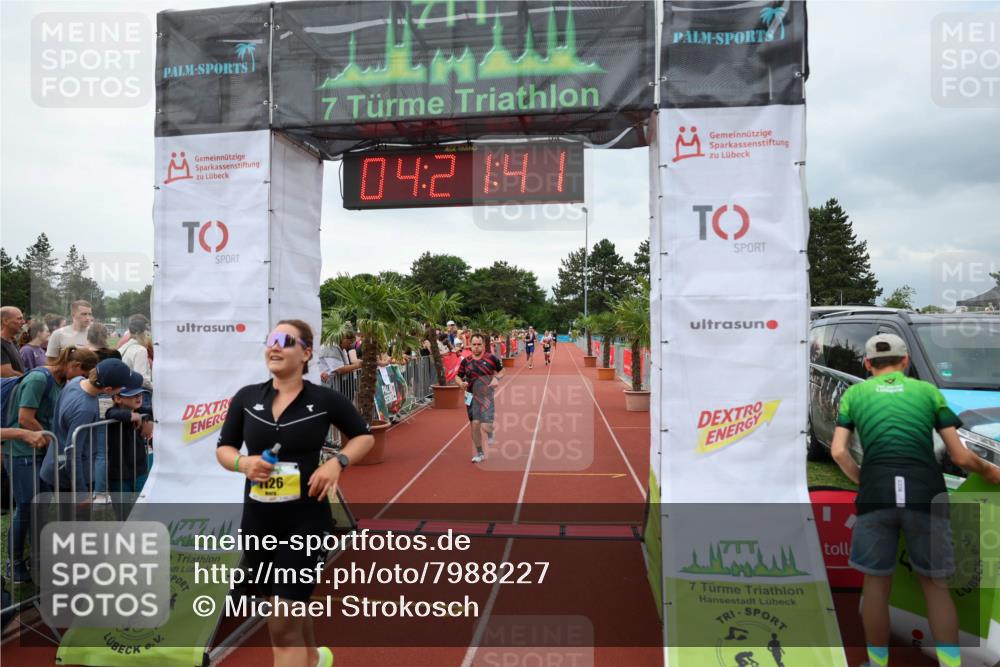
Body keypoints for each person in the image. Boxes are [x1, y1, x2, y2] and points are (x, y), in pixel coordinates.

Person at [831, 333, 1000, 667]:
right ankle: (950, 665)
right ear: (905, 361)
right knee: (936, 587)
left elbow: (838, 451)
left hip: (876, 497)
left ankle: (877, 664)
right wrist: (992, 471)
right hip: (926, 496)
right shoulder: (927, 393)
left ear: (867, 364)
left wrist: (864, 480)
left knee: (877, 585)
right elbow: (961, 457)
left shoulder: (855, 394)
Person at [216, 319, 372, 667]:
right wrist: (243, 463)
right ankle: (314, 658)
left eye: (285, 341)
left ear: (306, 353)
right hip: (258, 524)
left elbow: (364, 436)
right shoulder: (246, 398)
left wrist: (337, 462)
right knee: (287, 603)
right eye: (271, 340)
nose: (274, 346)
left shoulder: (324, 399)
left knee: (282, 622)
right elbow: (224, 448)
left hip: (306, 522)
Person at [2, 346, 99, 582]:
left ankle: (37, 558)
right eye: (83, 375)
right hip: (21, 451)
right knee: (26, 506)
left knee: (40, 507)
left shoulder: (60, 382)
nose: (83, 381)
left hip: (41, 451)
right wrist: (50, 438)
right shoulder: (38, 378)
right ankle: (13, 564)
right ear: (74, 367)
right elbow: (25, 417)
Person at [39, 358, 143, 498]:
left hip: (59, 467)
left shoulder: (77, 381)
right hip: (69, 478)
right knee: (76, 520)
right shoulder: (85, 409)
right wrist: (81, 492)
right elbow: (72, 452)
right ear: (108, 390)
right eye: (122, 388)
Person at [455, 333, 504, 463]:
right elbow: (457, 376)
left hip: (486, 395)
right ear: (470, 345)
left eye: (479, 344)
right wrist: (461, 383)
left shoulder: (491, 358)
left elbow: (502, 370)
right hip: (471, 396)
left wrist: (496, 378)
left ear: (483, 345)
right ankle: (480, 452)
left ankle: (490, 432)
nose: (476, 347)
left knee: (486, 426)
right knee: (475, 424)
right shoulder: (466, 362)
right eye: (474, 344)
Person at [104, 387, 153, 494]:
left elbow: (154, 411)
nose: (138, 397)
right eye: (133, 395)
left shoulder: (140, 410)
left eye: (140, 394)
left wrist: (149, 420)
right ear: (118, 399)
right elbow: (112, 414)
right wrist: (135, 416)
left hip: (140, 470)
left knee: (142, 506)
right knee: (124, 509)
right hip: (119, 474)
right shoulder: (112, 412)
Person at [119, 314, 153, 391]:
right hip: (136, 392)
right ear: (144, 332)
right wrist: (156, 388)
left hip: (124, 390)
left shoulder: (124, 347)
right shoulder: (140, 350)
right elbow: (142, 379)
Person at [1, 306, 26, 377]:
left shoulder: (12, 341)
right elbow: (7, 373)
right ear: (5, 321)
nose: (23, 322)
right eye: (19, 319)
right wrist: (28, 378)